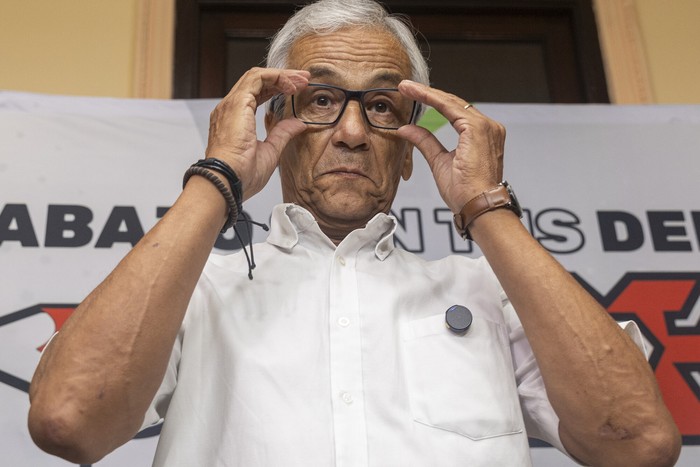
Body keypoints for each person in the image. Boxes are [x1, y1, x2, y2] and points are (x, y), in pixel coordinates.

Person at [28, 0, 680, 465]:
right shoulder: (196, 289)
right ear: (275, 128)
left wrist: (487, 206)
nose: (351, 131)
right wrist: (216, 176)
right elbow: (70, 419)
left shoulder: (489, 291)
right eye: (320, 100)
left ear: (407, 149)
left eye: (381, 106)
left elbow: (637, 442)